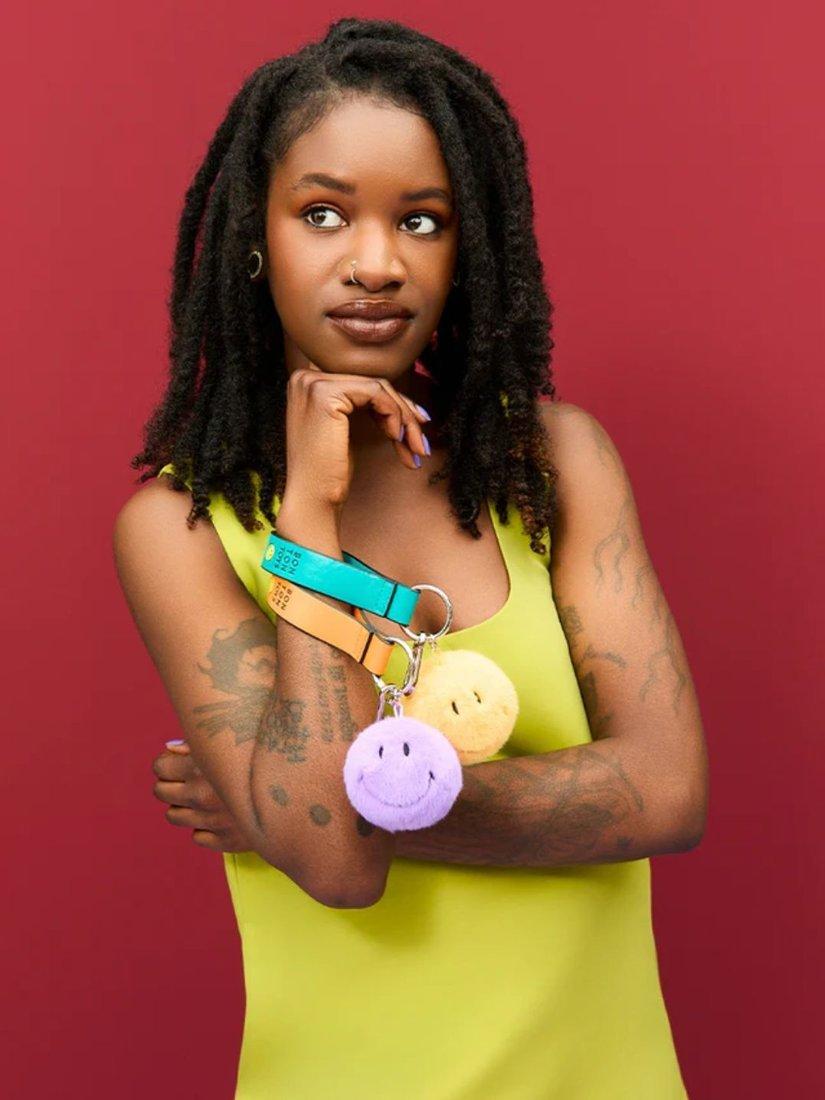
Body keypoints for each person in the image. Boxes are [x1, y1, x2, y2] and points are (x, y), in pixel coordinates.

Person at [113, 17, 707, 1099]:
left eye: (421, 220)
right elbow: (338, 865)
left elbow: (667, 793)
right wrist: (311, 516)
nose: (376, 263)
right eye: (323, 213)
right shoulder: (183, 527)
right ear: (255, 236)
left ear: (464, 247)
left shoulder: (552, 464)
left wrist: (318, 801)